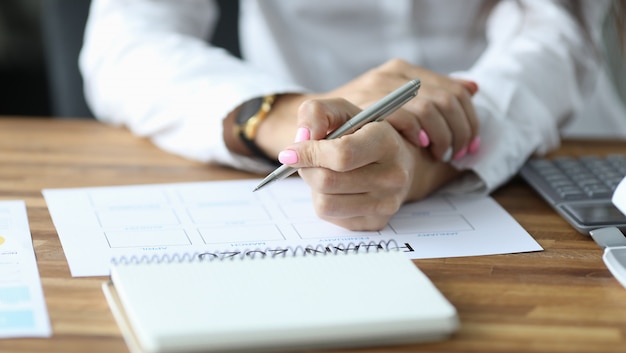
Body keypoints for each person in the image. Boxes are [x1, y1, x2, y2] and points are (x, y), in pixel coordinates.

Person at [79, 0, 626, 230]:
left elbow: (558, 30)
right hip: (310, 163)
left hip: (546, 154)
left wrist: (429, 152)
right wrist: (284, 116)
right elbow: (127, 40)